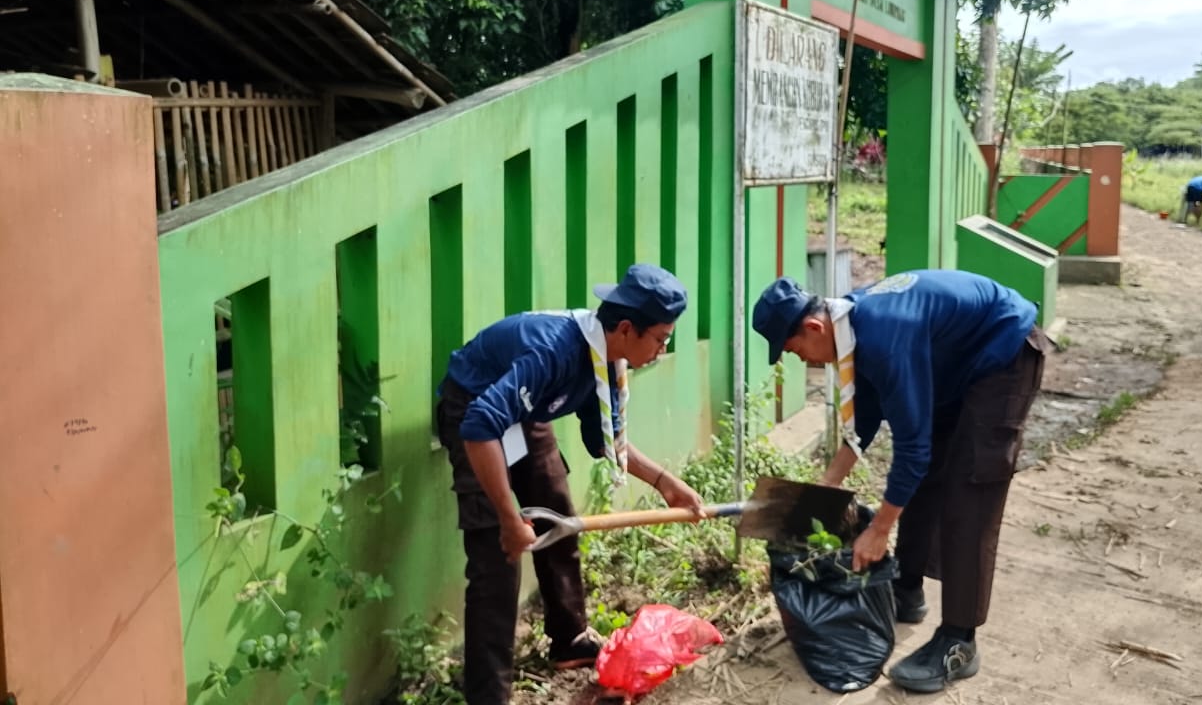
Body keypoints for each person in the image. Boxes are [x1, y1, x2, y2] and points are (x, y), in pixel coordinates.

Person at [751, 270, 1046, 694]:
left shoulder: (884, 336)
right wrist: (828, 484)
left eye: (795, 351)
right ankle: (906, 589)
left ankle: (959, 642)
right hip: (959, 365)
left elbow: (912, 449)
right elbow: (866, 417)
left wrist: (879, 529)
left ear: (814, 327)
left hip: (1004, 354)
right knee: (924, 482)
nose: (803, 360)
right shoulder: (854, 328)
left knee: (969, 496)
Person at [436, 263, 705, 705]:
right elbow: (480, 425)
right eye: (660, 339)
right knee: (498, 557)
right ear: (626, 328)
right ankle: (489, 697)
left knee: (557, 510)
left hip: (525, 412)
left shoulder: (607, 362)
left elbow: (605, 439)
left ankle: (570, 640)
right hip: (475, 406)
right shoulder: (553, 352)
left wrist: (664, 482)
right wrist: (508, 518)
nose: (662, 350)